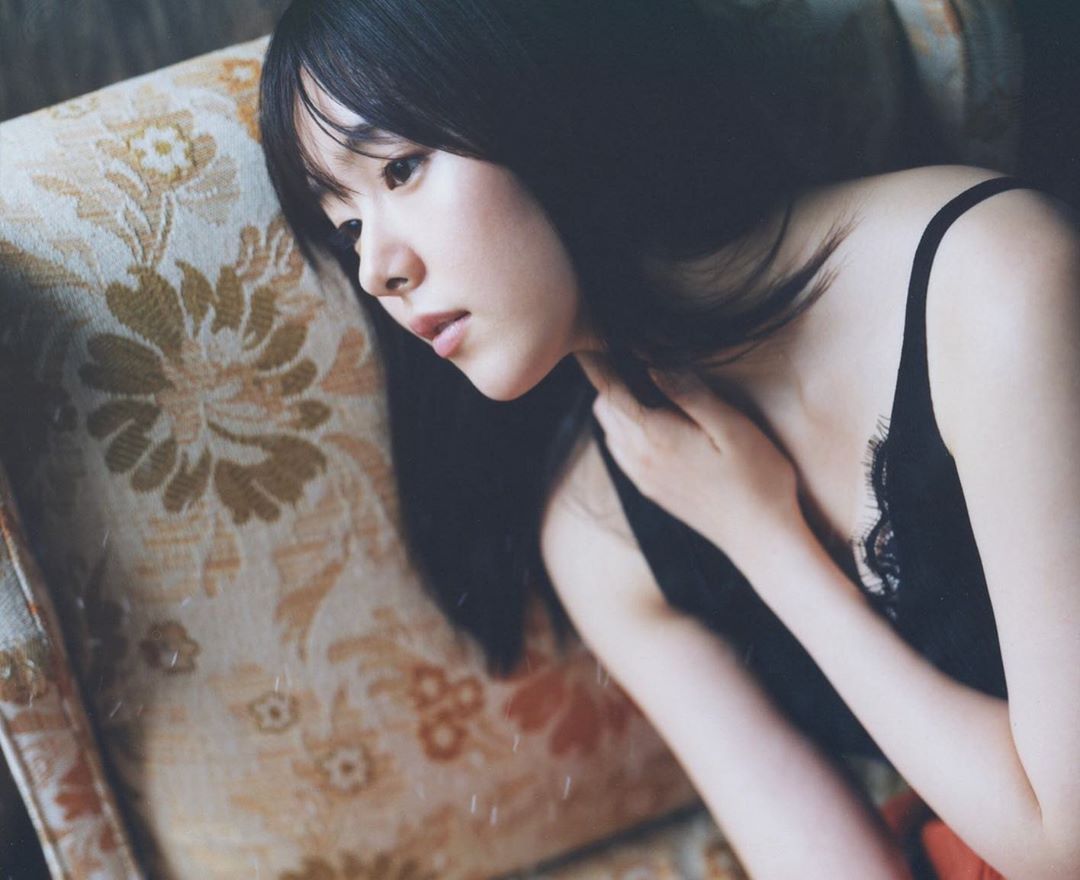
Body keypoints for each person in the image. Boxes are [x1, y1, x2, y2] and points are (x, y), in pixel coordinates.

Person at [258, 1, 1080, 876]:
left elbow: (1063, 841)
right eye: (347, 226)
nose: (376, 269)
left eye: (401, 168)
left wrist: (769, 545)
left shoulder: (990, 283)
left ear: (544, 95)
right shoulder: (599, 531)